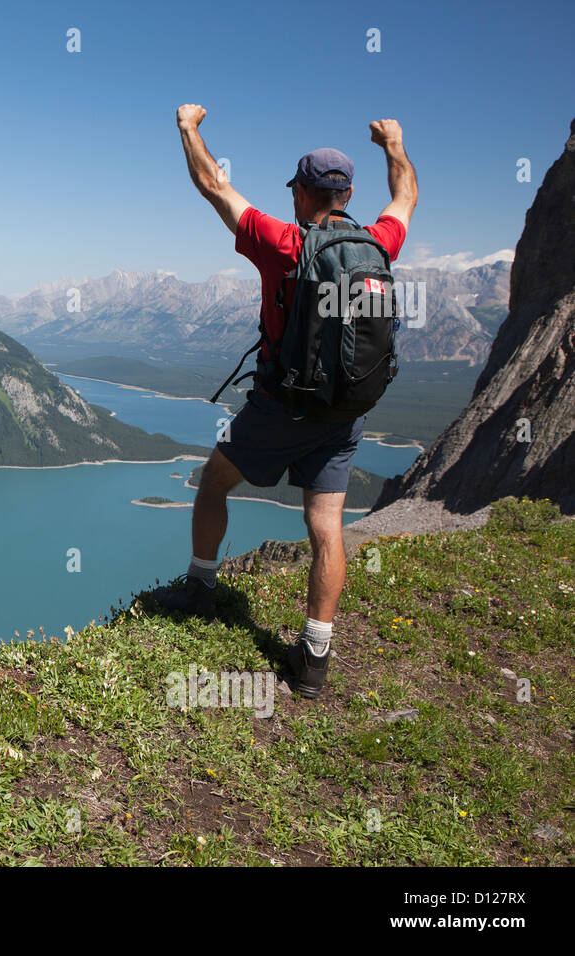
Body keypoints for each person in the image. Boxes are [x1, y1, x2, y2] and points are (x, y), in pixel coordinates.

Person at [156, 104, 418, 699]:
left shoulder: (283, 243)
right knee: (326, 527)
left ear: (301, 194)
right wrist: (393, 143)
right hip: (346, 413)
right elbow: (405, 196)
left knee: (213, 481)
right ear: (348, 193)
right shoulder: (378, 243)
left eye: (296, 190)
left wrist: (189, 128)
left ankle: (200, 588)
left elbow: (214, 185)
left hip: (282, 407)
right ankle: (316, 656)